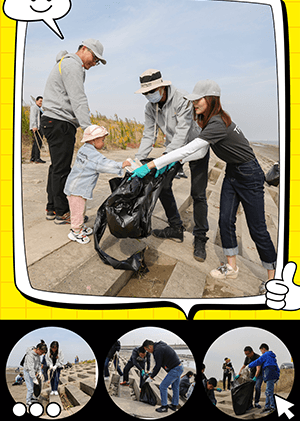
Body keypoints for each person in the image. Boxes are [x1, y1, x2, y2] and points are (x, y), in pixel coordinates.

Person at [131, 79, 277, 282]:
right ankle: (231, 267)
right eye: (193, 100)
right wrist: (178, 159)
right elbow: (197, 153)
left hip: (250, 175)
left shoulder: (217, 123)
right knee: (225, 220)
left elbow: (190, 147)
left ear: (210, 100)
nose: (194, 104)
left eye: (198, 100)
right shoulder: (209, 121)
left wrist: (153, 164)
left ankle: (274, 279)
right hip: (233, 171)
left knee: (257, 229)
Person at [135, 69, 210, 261]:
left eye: (151, 91)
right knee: (163, 185)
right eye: (145, 93)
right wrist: (138, 159)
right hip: (173, 150)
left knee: (198, 193)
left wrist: (165, 158)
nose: (148, 96)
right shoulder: (150, 108)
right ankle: (176, 227)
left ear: (161, 87)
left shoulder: (182, 99)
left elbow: (182, 133)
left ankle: (200, 238)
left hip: (195, 148)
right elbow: (148, 134)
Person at [41, 39, 107, 224]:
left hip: (53, 120)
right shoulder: (72, 64)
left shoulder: (66, 64)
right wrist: (89, 129)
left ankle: (52, 208)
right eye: (94, 58)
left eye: (97, 62)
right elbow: (78, 98)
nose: (94, 64)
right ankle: (63, 213)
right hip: (60, 122)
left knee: (57, 167)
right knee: (62, 169)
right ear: (84, 49)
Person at [64, 125, 130, 244]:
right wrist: (121, 165)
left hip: (74, 185)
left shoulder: (84, 149)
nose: (104, 143)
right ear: (94, 140)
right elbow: (104, 164)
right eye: (102, 140)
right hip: (78, 189)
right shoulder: (93, 156)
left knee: (80, 209)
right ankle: (75, 232)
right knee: (77, 211)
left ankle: (80, 226)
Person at [142, 339, 183, 413]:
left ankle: (164, 406)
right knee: (175, 387)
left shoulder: (157, 351)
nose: (148, 352)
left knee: (163, 386)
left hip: (175, 369)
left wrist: (151, 377)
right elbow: (159, 363)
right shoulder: (159, 346)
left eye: (147, 350)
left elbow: (158, 366)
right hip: (179, 367)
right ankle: (174, 405)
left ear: (150, 347)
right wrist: (152, 372)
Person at [247, 343, 280, 414]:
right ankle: (267, 407)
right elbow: (277, 367)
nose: (261, 352)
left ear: (263, 349)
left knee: (269, 392)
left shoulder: (266, 354)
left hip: (269, 374)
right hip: (271, 375)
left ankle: (272, 407)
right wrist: (277, 376)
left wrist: (249, 365)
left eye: (261, 350)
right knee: (268, 391)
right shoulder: (272, 357)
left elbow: (258, 361)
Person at [23, 339, 48, 408]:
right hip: (28, 372)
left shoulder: (37, 355)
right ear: (38, 349)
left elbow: (39, 364)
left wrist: (39, 371)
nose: (42, 354)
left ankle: (32, 398)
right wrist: (34, 378)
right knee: (30, 388)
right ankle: (28, 402)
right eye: (42, 352)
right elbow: (30, 368)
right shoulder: (30, 355)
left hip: (33, 372)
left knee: (32, 386)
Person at [30, 96, 45, 164]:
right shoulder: (34, 107)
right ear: (36, 101)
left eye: (42, 101)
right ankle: (37, 158)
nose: (41, 103)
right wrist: (34, 126)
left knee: (36, 143)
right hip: (36, 128)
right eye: (40, 101)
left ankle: (33, 158)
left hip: (38, 127)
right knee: (38, 143)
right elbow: (33, 117)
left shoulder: (39, 108)